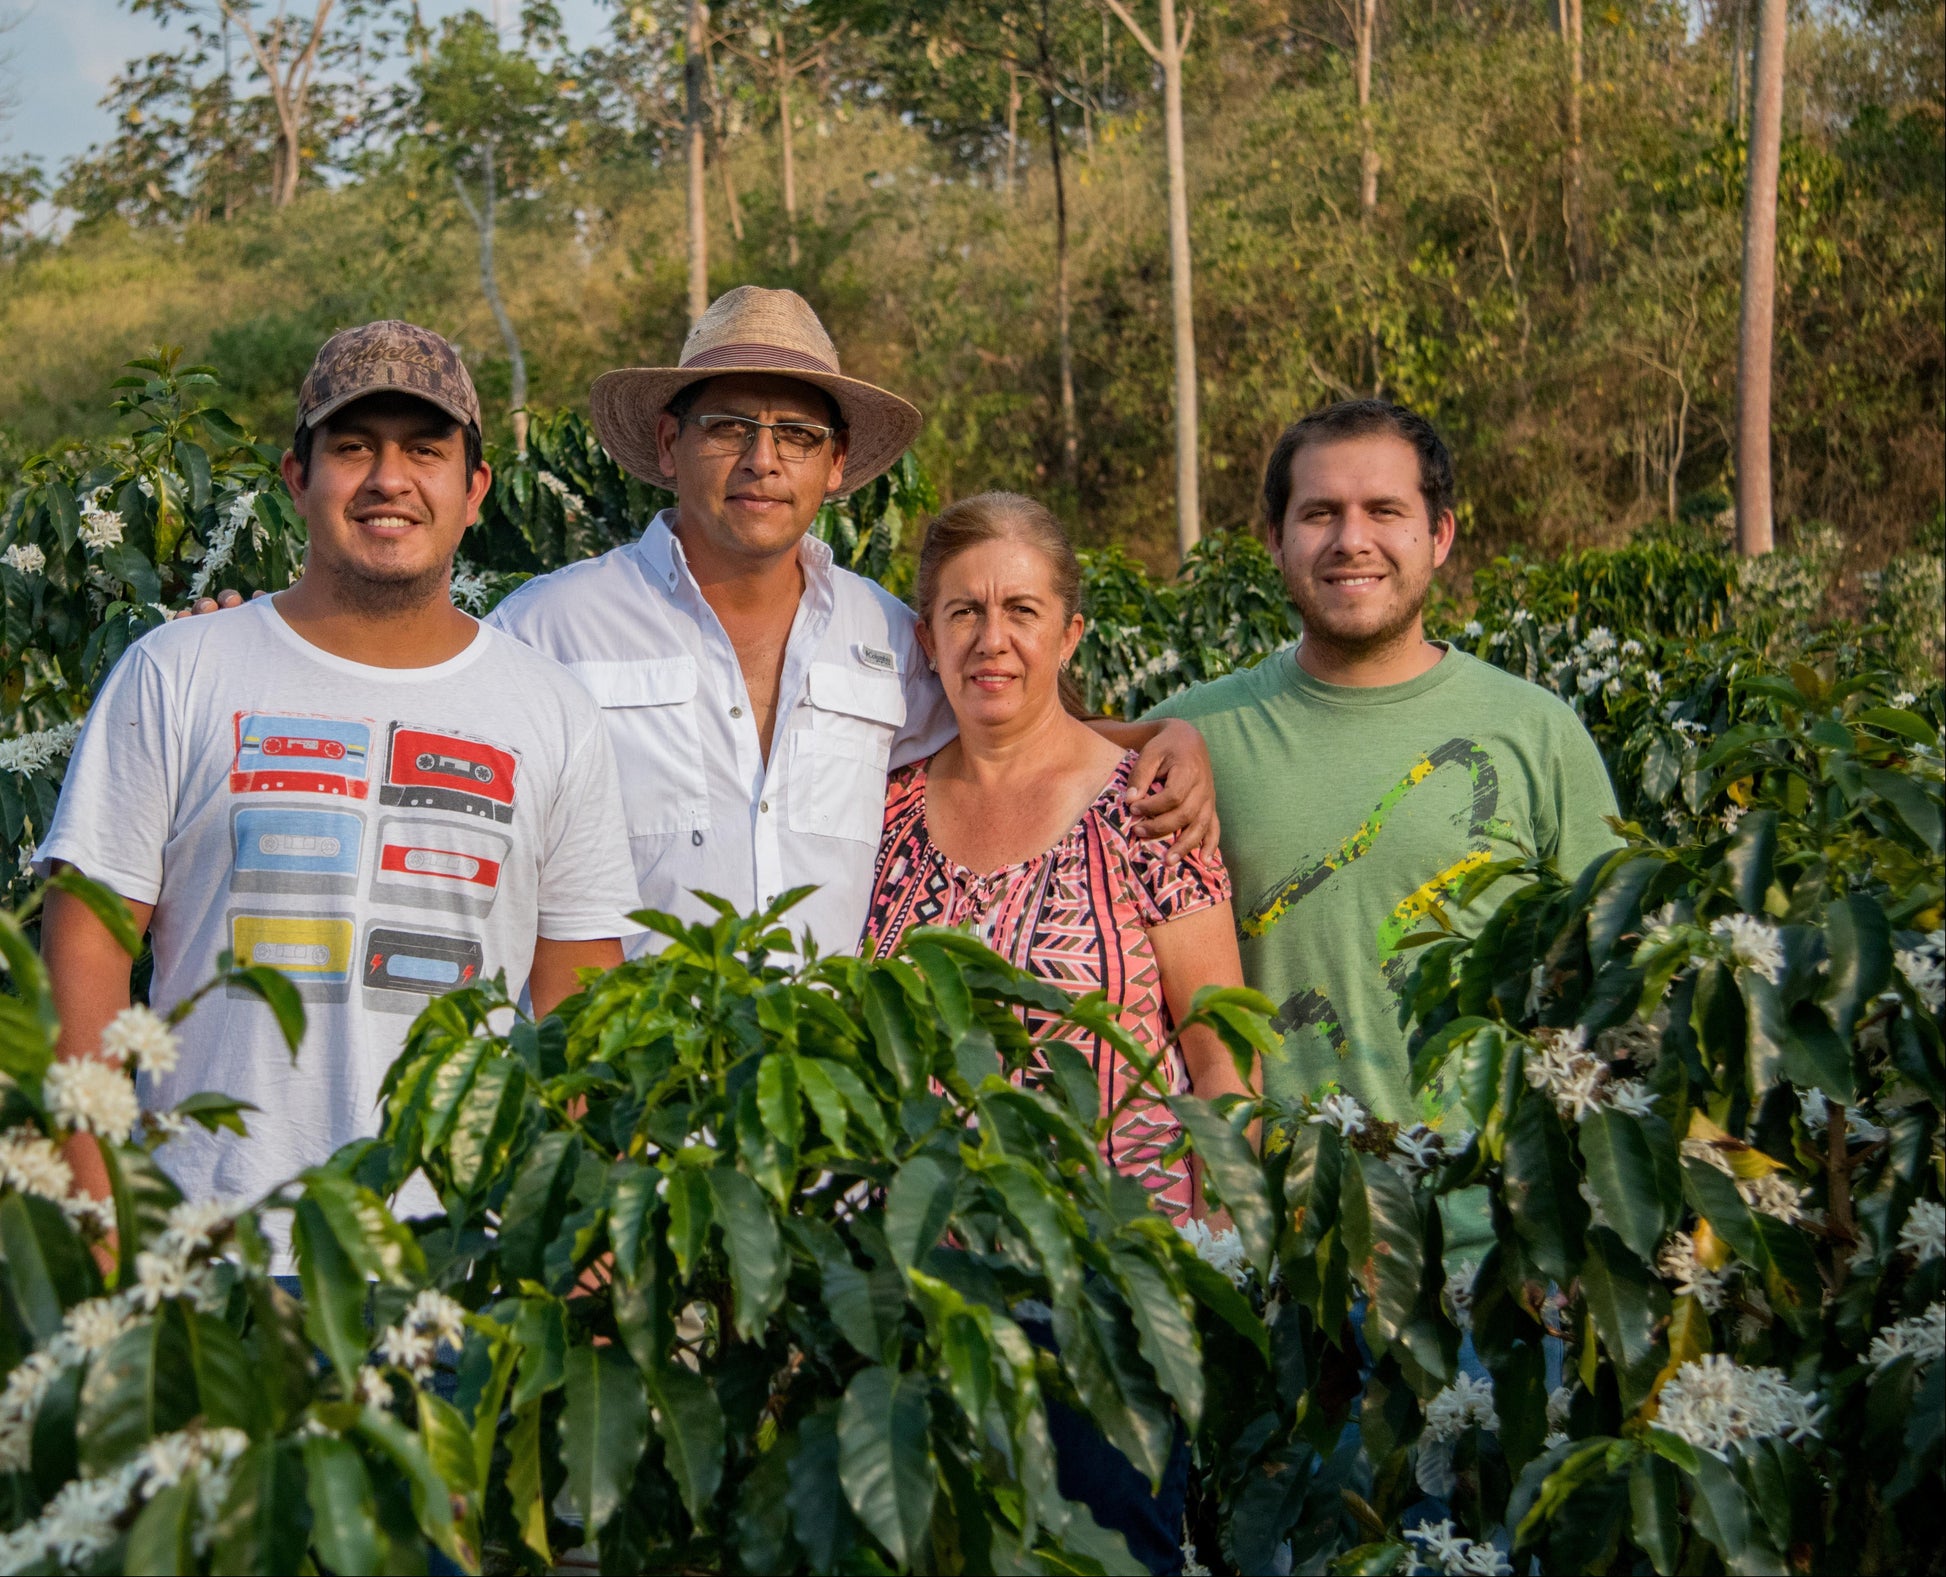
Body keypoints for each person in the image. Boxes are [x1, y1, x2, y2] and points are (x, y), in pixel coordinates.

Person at [37, 321, 642, 1262]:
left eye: (425, 451)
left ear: (475, 489)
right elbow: (86, 951)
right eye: (354, 447)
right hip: (210, 1252)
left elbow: (578, 1007)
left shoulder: (552, 712)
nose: (389, 479)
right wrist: (99, 1226)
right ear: (297, 478)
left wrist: (578, 1250)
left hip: (459, 1263)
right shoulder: (177, 671)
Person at [482, 286, 1219, 954]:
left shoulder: (886, 637)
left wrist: (1166, 737)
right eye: (729, 427)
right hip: (626, 1060)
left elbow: (1018, 731)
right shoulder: (550, 631)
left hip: (830, 1062)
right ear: (671, 444)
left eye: (797, 434)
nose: (763, 460)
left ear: (834, 462)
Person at [862, 492, 1251, 1577]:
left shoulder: (1147, 807)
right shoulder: (878, 814)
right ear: (925, 636)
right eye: (964, 611)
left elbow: (1218, 1044)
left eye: (1022, 610)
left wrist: (1225, 1238)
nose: (992, 639)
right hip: (927, 1292)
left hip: (1113, 1292)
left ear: (1070, 633)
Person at [1145, 400, 1621, 1241]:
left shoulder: (1538, 734)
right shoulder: (1191, 736)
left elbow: (1613, 988)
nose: (1351, 540)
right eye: (1319, 513)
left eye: (1385, 511)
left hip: (1488, 1252)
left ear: (1440, 535)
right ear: (1275, 539)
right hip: (1272, 1249)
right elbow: (1043, 753)